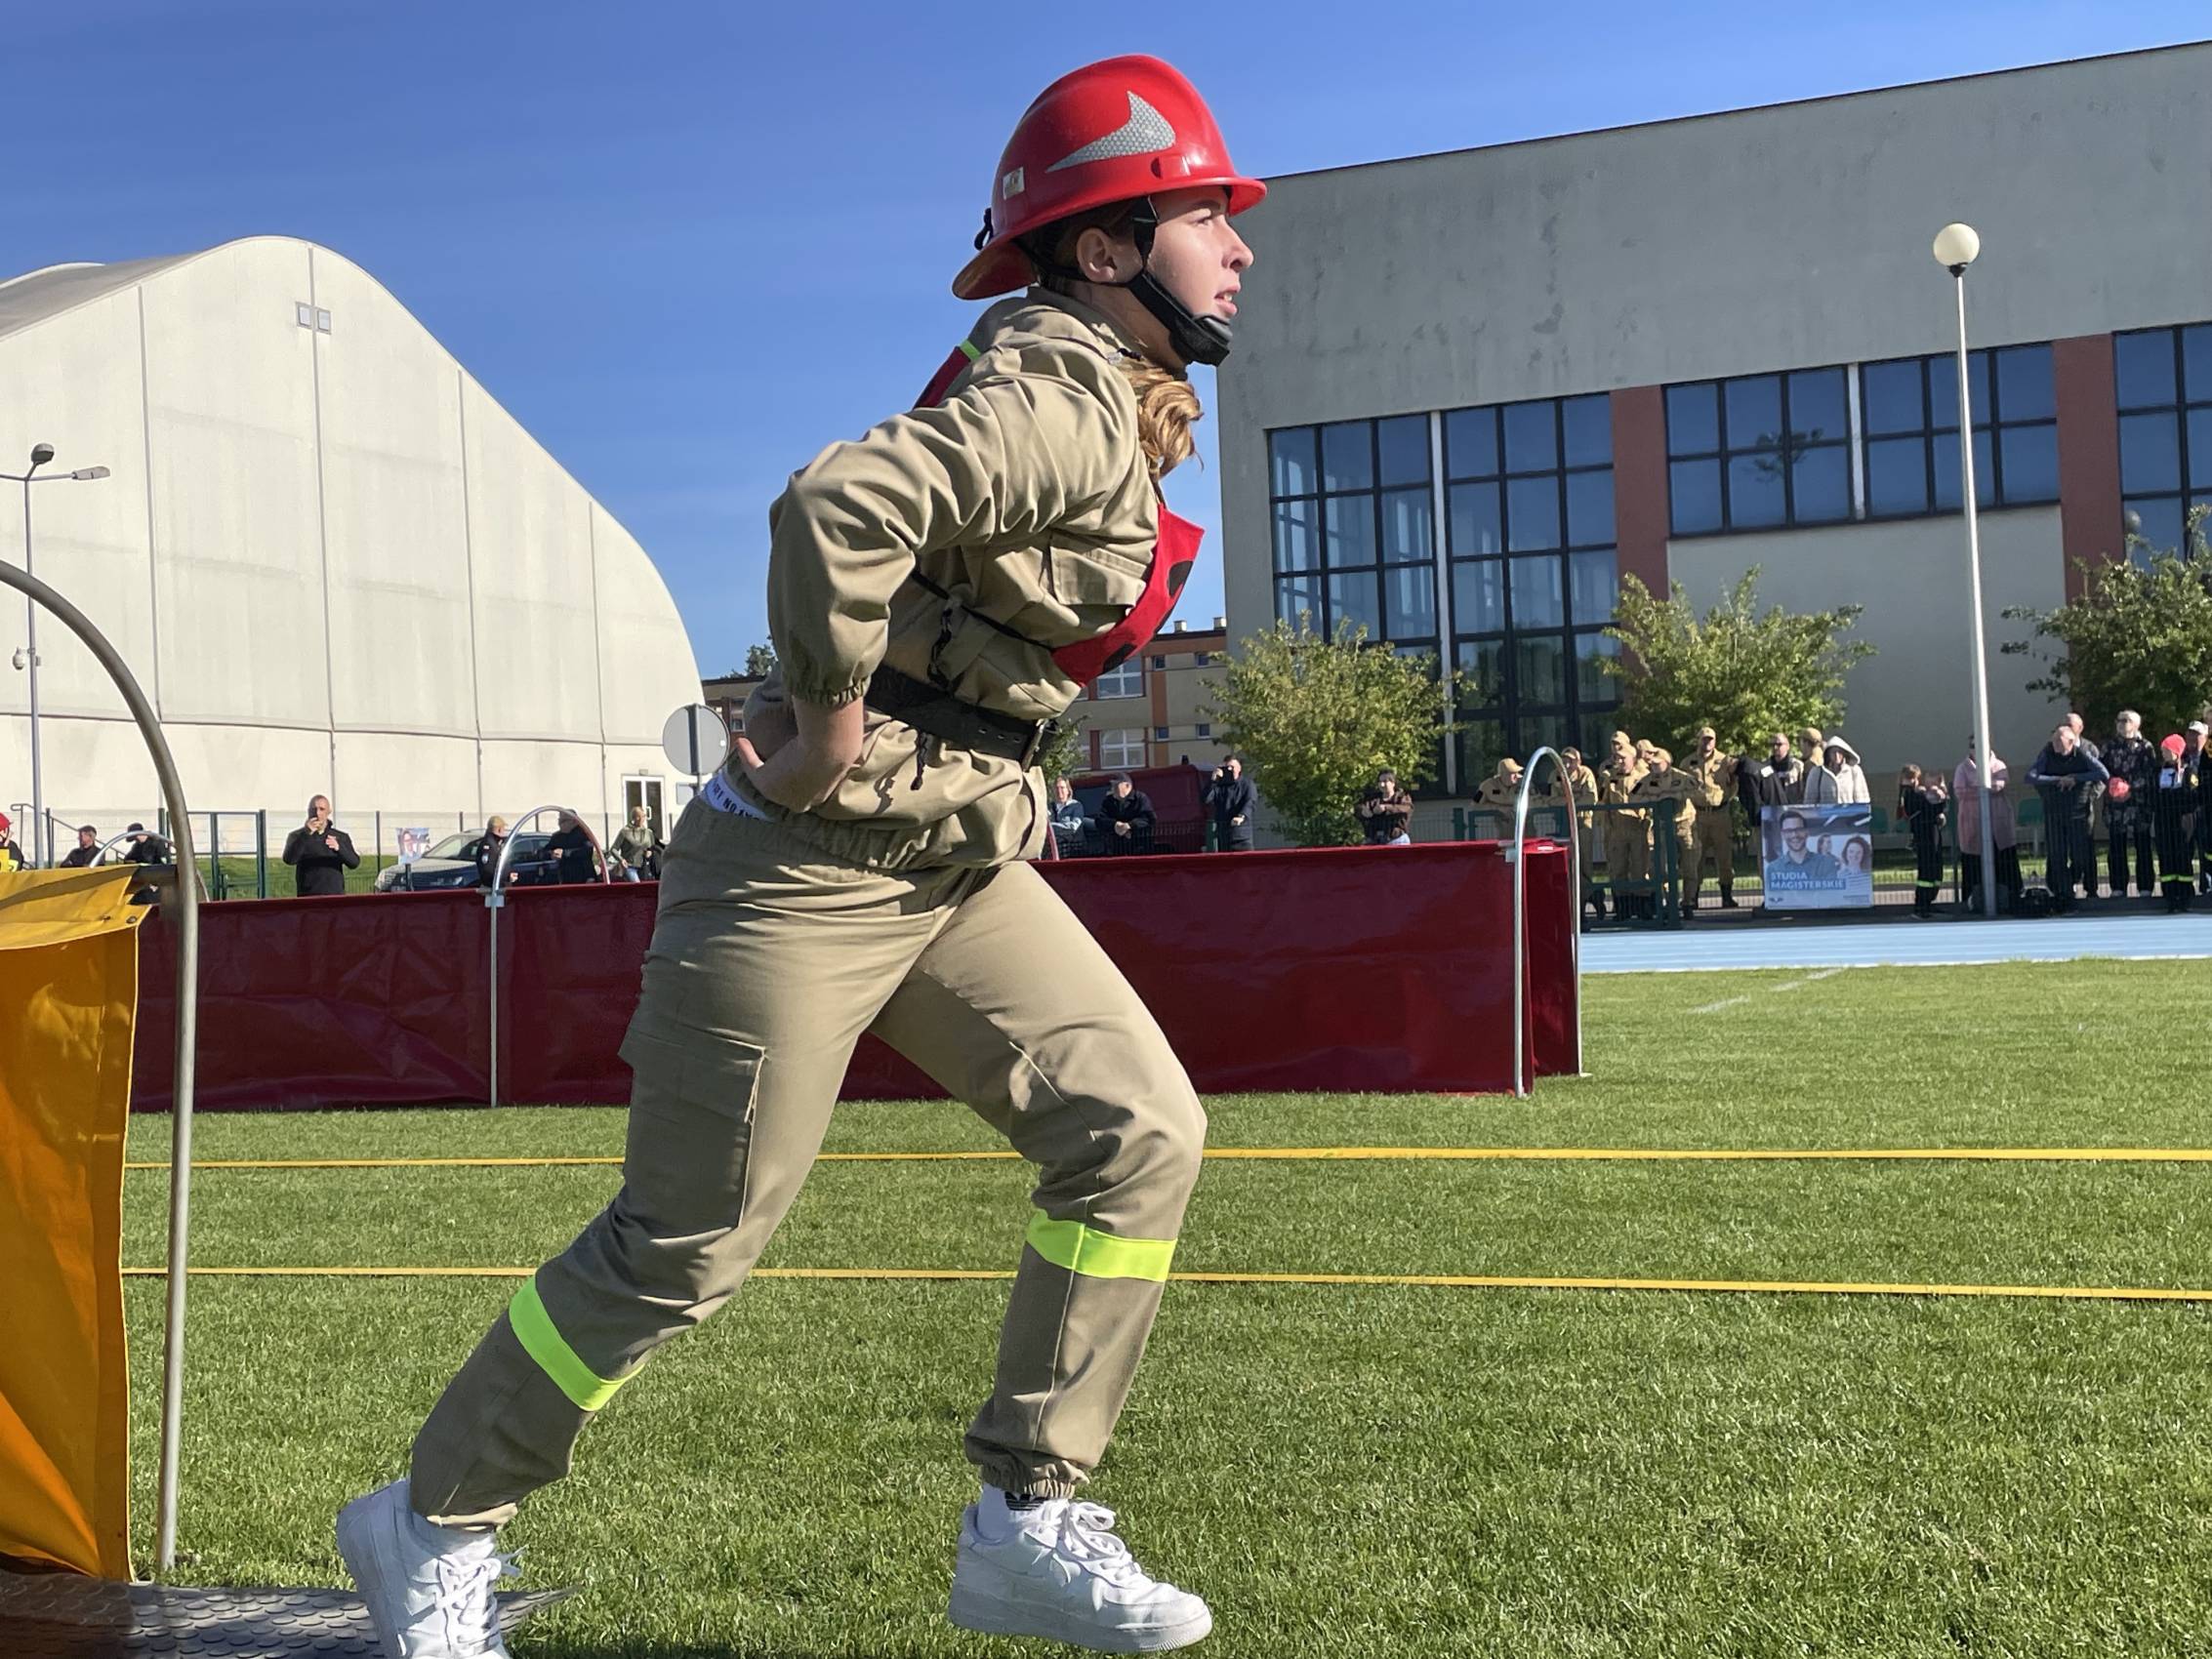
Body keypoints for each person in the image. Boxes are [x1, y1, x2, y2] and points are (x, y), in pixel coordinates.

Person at [339, 56, 1256, 1659]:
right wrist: (828, 721)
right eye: (1206, 215)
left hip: (944, 861)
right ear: (1108, 249)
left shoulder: (1103, 398)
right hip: (802, 868)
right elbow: (838, 506)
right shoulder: (1058, 397)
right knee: (686, 1245)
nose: (1239, 246)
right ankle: (430, 1521)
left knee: (1135, 1131)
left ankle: (1027, 1518)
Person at [2027, 722, 2109, 913]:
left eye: (2059, 740)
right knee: (2057, 855)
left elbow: (2102, 773)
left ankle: (2073, 880)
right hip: (2054, 813)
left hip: (2078, 814)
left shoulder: (2082, 755)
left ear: (2071, 742)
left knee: (2080, 856)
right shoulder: (2047, 754)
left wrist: (2075, 778)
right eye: (2054, 739)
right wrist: (2057, 780)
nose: (2054, 743)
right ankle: (2065, 896)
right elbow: (2031, 777)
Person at [1953, 743, 2022, 913]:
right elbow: (1960, 791)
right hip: (1972, 822)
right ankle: (1973, 902)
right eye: (1972, 745)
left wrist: (1975, 785)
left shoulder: (1999, 765)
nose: (1976, 748)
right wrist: (1985, 787)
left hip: (1998, 823)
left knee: (2004, 861)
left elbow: (2000, 785)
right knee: (1973, 862)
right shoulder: (1962, 768)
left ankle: (2009, 899)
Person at [1629, 748, 1699, 914]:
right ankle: (1670, 902)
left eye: (1658, 764)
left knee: (1690, 865)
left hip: (1684, 824)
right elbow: (1633, 797)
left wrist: (1677, 795)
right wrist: (1655, 798)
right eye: (1652, 764)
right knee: (1662, 867)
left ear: (1667, 763)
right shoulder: (1647, 780)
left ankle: (1688, 902)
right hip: (1661, 825)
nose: (1654, 767)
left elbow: (1698, 791)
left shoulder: (1681, 776)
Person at [2101, 710, 2156, 898]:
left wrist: (2129, 788)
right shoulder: (2109, 746)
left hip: (2139, 805)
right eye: (2119, 720)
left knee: (2143, 846)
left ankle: (2145, 887)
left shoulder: (2145, 746)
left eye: (2127, 720)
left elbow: (2150, 773)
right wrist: (2113, 786)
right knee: (2116, 847)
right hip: (2115, 807)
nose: (2122, 723)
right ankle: (2118, 887)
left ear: (2136, 724)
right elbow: (2102, 771)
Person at [1682, 726, 1738, 910]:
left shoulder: (1725, 761)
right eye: (1704, 739)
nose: (1707, 742)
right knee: (1696, 858)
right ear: (1698, 740)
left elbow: (1734, 784)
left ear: (1715, 741)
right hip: (1697, 815)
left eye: (1710, 739)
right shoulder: (1688, 763)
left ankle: (1727, 896)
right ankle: (1693, 897)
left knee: (1724, 857)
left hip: (1720, 815)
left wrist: (1726, 798)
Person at [1597, 731, 1651, 917]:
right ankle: (1622, 908)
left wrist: (1648, 824)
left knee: (1639, 868)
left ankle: (1643, 908)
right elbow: (1603, 801)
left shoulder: (1643, 777)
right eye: (1617, 758)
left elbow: (1651, 801)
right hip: (1617, 829)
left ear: (1632, 759)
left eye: (1623, 758)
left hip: (1637, 827)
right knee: (1618, 868)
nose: (1619, 762)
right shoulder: (1610, 777)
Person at [1547, 746, 1604, 919]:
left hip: (1582, 823)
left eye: (1570, 760)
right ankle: (1578, 903)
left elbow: (1590, 798)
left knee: (1584, 863)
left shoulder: (1585, 773)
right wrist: (1571, 801)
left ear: (1578, 761)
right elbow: (1551, 800)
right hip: (1563, 824)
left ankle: (1590, 899)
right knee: (1568, 865)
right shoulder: (1555, 775)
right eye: (1564, 760)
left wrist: (1568, 801)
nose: (1567, 763)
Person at [2153, 733, 2201, 911]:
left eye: (2167, 750)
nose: (2164, 754)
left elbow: (2193, 796)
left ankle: (2185, 896)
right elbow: (2154, 794)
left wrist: (2174, 798)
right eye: (2163, 751)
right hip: (2163, 821)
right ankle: (2170, 896)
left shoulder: (2189, 771)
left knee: (2183, 856)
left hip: (2183, 821)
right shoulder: (2158, 771)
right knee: (2166, 857)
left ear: (2177, 752)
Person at [1895, 764, 1948, 918]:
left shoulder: (1915, 793)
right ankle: (1921, 905)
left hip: (1931, 833)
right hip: (1924, 836)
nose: (1913, 781)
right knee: (1926, 871)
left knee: (1935, 869)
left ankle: (1929, 901)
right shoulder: (1909, 794)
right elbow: (1930, 809)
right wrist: (1942, 799)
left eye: (1915, 778)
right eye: (1910, 778)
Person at [282, 795, 360, 898]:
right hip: (308, 898)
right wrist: (306, 834)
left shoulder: (340, 837)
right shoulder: (297, 836)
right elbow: (289, 860)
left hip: (334, 898)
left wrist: (339, 848)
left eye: (322, 809)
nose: (317, 813)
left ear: (329, 812)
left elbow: (354, 863)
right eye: (313, 809)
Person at [1765, 809, 1840, 886]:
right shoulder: (1774, 869)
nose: (1794, 835)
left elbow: (1831, 893)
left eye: (1799, 829)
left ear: (1806, 832)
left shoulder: (1826, 864)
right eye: (1789, 831)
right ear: (1782, 835)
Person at [1203, 754, 1256, 851]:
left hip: (1241, 838)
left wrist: (1241, 816)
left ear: (1239, 768)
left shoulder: (1247, 784)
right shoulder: (1219, 786)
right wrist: (1213, 781)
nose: (1230, 770)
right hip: (1223, 837)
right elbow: (1206, 799)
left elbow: (1250, 802)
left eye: (1232, 767)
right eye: (1227, 767)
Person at [1095, 773, 1157, 854]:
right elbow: (1099, 820)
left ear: (1127, 786)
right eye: (1112, 786)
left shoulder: (1140, 798)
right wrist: (1115, 825)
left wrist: (1129, 826)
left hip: (1140, 847)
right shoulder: (1108, 801)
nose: (1112, 789)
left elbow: (1149, 818)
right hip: (1116, 849)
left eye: (1116, 786)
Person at [1801, 736, 1868, 805]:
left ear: (1844, 753)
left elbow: (1862, 801)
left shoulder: (1854, 771)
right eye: (1833, 752)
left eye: (1839, 752)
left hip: (1848, 812)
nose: (1837, 756)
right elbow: (1809, 803)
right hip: (1825, 812)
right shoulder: (1817, 773)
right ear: (1827, 754)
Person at [543, 809, 604, 883]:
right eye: (559, 820)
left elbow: (587, 852)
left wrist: (565, 853)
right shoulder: (557, 837)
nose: (560, 824)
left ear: (574, 821)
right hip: (565, 877)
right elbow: (544, 851)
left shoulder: (584, 834)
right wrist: (551, 854)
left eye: (563, 821)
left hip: (583, 876)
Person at [1358, 767, 1414, 845]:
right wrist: (1363, 811)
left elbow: (1407, 808)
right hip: (1375, 841)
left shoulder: (1402, 797)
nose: (1382, 784)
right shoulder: (1373, 799)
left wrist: (1386, 808)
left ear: (1393, 783)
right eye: (1380, 782)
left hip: (1397, 840)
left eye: (1385, 781)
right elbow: (1359, 808)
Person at [1469, 756, 1522, 834]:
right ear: (1502, 774)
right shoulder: (1486, 786)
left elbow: (1537, 801)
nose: (1516, 776)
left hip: (1525, 828)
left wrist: (1517, 808)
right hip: (1502, 830)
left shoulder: (1525, 782)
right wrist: (1497, 807)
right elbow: (1474, 804)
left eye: (1517, 772)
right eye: (1512, 773)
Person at [608, 806, 658, 882]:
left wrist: (650, 852)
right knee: (637, 884)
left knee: (647, 886)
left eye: (643, 816)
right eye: (638, 817)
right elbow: (613, 849)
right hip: (629, 866)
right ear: (633, 818)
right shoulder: (625, 831)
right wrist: (621, 860)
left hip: (645, 867)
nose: (641, 819)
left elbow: (652, 848)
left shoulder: (649, 832)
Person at [1046, 776, 1089, 857]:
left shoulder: (1076, 806)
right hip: (1054, 849)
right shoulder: (1049, 808)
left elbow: (1073, 828)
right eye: (1056, 788)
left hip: (1073, 849)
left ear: (1068, 790)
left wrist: (1050, 827)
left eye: (1062, 788)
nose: (1059, 791)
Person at [474, 817, 513, 888]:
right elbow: (488, 870)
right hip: (493, 887)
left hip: (497, 885)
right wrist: (504, 878)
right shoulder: (489, 845)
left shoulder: (495, 843)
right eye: (503, 828)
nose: (504, 831)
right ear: (499, 829)